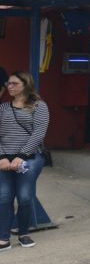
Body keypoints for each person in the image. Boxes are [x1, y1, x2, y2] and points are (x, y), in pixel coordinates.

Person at [0, 71, 51, 251]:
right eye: (8, 84)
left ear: (26, 85)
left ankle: (23, 233)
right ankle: (3, 238)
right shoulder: (3, 108)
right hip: (4, 160)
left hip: (30, 158)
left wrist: (21, 156)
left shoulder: (39, 106)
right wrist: (2, 157)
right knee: (4, 197)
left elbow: (38, 134)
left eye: (14, 83)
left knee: (24, 197)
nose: (9, 86)